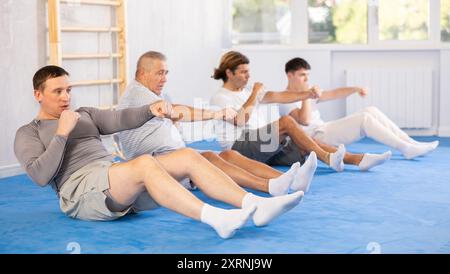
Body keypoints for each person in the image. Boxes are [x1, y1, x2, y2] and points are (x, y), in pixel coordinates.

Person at [13, 65, 305, 239]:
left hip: (111, 177)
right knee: (143, 164)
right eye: (57, 92)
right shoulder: (28, 133)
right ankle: (216, 218)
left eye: (68, 89)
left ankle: (255, 204)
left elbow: (119, 119)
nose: (66, 97)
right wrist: (62, 133)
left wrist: (150, 110)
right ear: (38, 94)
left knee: (189, 156)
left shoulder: (84, 114)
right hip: (79, 192)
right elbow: (39, 176)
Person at [116, 51, 317, 196]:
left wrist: (307, 93)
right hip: (156, 163)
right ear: (142, 74)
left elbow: (169, 118)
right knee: (212, 156)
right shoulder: (137, 93)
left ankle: (283, 180)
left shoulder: (151, 94)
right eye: (160, 73)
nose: (165, 79)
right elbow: (176, 109)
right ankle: (269, 185)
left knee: (225, 156)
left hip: (170, 155)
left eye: (166, 73)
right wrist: (217, 113)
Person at [210, 51, 389, 172]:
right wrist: (256, 93)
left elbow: (280, 96)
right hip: (239, 147)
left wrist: (308, 94)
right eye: (243, 72)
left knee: (304, 142)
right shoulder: (220, 98)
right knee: (287, 122)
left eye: (248, 72)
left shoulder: (248, 92)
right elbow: (241, 120)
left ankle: (358, 160)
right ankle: (326, 158)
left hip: (260, 146)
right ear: (229, 73)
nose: (248, 76)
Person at [279, 57, 439, 160]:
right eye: (302, 75)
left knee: (371, 110)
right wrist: (307, 95)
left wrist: (356, 89)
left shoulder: (308, 93)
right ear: (290, 75)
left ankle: (411, 142)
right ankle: (406, 149)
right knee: (364, 120)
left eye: (307, 74)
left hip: (325, 128)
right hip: (316, 138)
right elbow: (305, 120)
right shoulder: (285, 99)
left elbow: (334, 93)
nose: (307, 79)